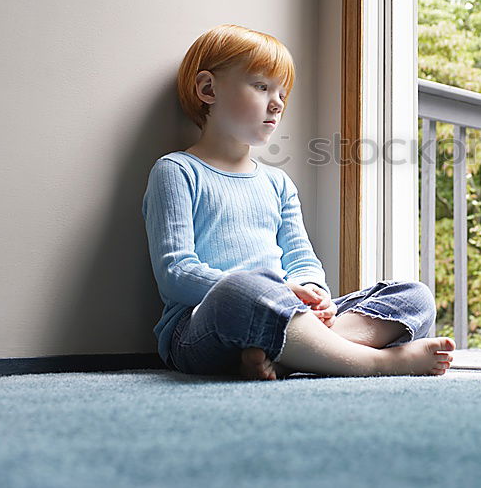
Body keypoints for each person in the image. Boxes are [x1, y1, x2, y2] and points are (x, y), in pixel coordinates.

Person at [142, 24, 455, 380]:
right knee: (243, 288)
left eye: (283, 94)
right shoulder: (177, 171)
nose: (277, 103)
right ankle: (373, 363)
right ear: (208, 89)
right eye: (262, 87)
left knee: (413, 296)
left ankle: (289, 356)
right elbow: (176, 274)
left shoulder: (277, 182)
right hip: (203, 327)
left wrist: (313, 293)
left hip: (290, 309)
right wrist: (277, 290)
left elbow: (302, 260)